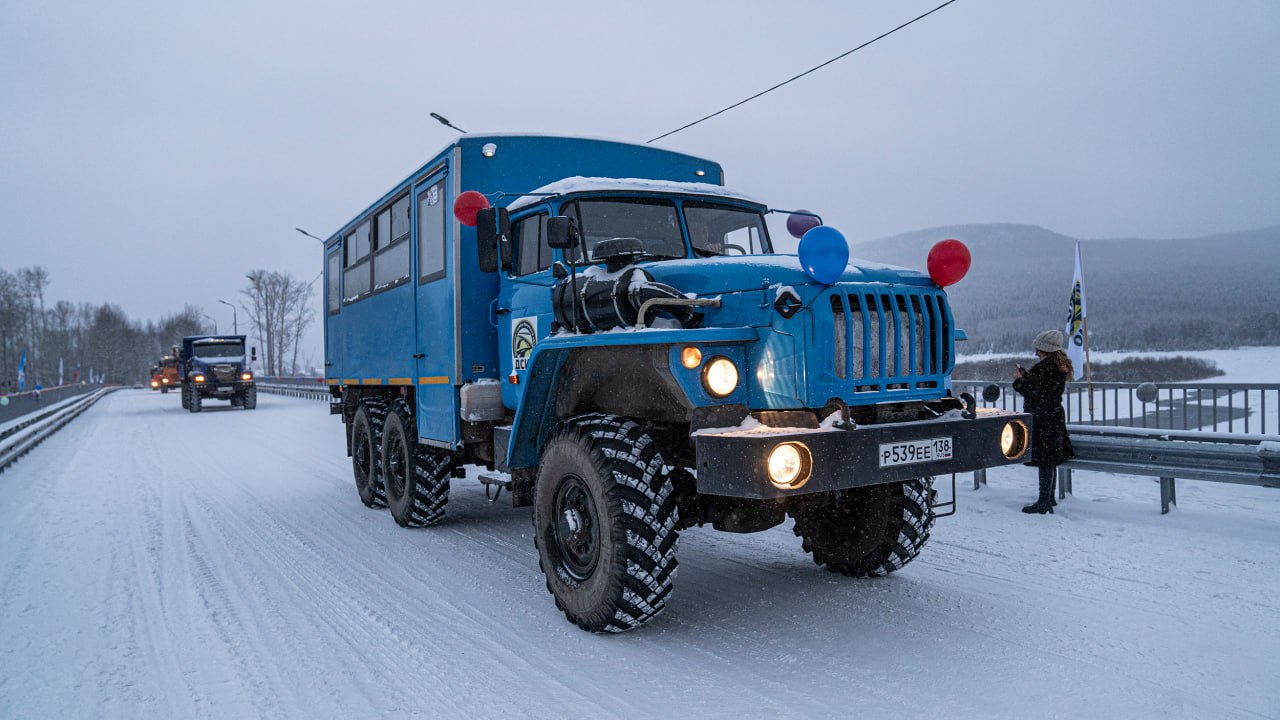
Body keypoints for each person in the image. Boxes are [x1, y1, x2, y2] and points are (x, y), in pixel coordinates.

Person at [1012, 329, 1075, 514]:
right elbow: (1042, 389)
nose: (1035, 353)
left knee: (1044, 460)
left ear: (1045, 349)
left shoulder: (1046, 368)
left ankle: (1044, 501)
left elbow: (1033, 391)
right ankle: (1049, 497)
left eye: (1038, 349)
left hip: (1043, 418)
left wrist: (1018, 380)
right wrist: (1027, 376)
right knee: (1050, 459)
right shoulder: (1058, 366)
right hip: (1052, 416)